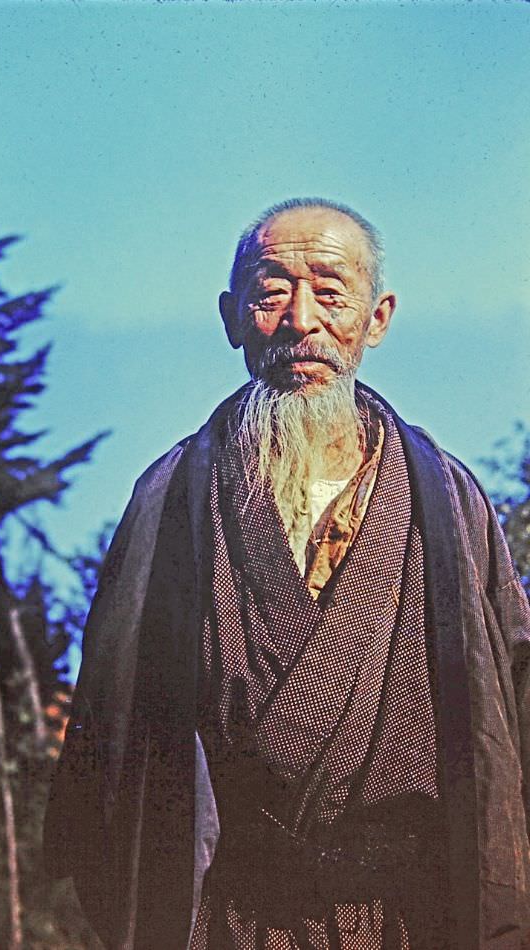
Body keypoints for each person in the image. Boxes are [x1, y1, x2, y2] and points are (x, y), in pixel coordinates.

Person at [44, 198, 530, 950]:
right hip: (225, 921)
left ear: (377, 319)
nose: (301, 320)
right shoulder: (170, 498)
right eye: (271, 292)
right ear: (232, 317)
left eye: (331, 293)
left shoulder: (450, 499)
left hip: (417, 918)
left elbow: (513, 709)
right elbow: (112, 731)